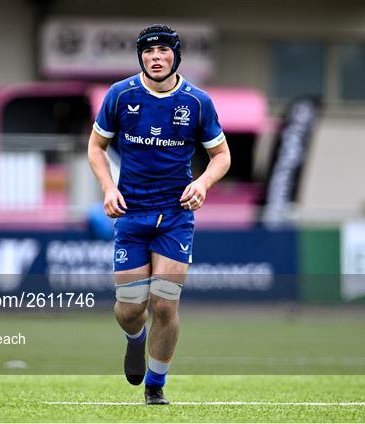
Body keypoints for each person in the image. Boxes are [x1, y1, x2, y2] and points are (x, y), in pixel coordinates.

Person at [87, 24, 231, 405]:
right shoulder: (120, 95)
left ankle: (156, 385)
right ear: (141, 58)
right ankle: (134, 339)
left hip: (175, 215)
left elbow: (221, 156)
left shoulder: (197, 102)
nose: (155, 57)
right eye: (148, 52)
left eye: (163, 51)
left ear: (175, 57)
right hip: (132, 214)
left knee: (165, 303)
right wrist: (108, 187)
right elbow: (96, 146)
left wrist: (201, 184)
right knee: (131, 310)